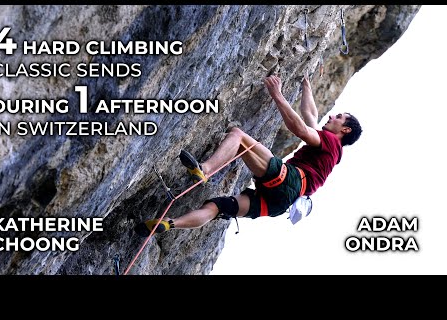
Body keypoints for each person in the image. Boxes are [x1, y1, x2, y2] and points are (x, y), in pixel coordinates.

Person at [134, 74, 362, 237]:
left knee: (239, 136)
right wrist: (306, 84)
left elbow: (302, 129)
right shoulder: (330, 150)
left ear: (345, 130)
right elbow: (311, 115)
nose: (332, 116)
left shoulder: (332, 142)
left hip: (291, 181)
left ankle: (204, 170)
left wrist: (277, 95)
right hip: (278, 205)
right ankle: (169, 224)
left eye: (339, 117)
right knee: (217, 207)